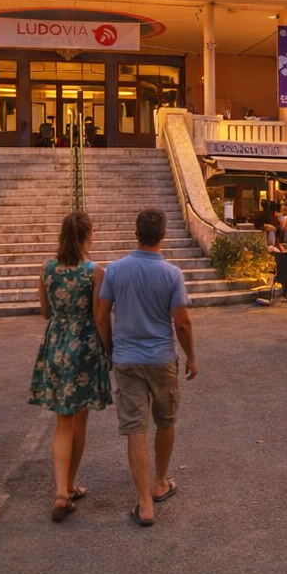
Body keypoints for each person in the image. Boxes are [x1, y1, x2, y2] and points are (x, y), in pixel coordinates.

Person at [95, 209, 197, 528]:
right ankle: (160, 481)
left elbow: (101, 315)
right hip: (161, 358)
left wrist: (112, 350)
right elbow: (181, 322)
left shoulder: (115, 270)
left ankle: (144, 502)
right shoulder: (171, 273)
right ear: (163, 234)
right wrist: (192, 356)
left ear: (136, 232)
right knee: (165, 421)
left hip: (126, 359)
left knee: (135, 428)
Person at [30, 212, 111, 522]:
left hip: (56, 344)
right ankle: (67, 487)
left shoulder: (47, 268)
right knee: (79, 420)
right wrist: (109, 349)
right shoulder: (94, 272)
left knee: (63, 420)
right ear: (87, 235)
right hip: (85, 345)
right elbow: (99, 316)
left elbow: (44, 310)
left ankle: (65, 488)